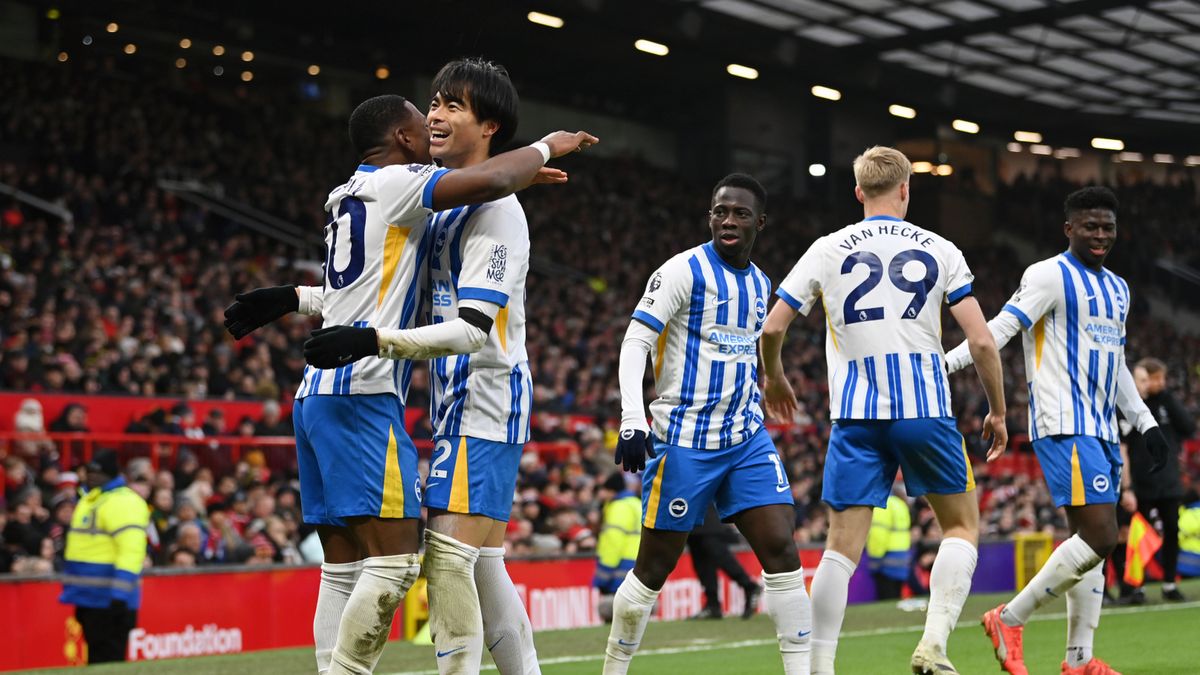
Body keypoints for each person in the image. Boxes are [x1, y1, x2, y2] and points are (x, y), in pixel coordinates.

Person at [223, 92, 596, 675]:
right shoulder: (404, 188)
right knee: (410, 564)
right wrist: (541, 149)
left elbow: (397, 297)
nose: (436, 122)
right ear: (403, 138)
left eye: (450, 108)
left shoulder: (353, 193)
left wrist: (296, 298)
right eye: (428, 115)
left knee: (411, 564)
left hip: (412, 396)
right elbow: (492, 177)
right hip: (370, 396)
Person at [760, 145, 1007, 675]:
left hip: (855, 416)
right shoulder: (941, 249)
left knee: (839, 549)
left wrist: (775, 376)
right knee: (962, 529)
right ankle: (933, 644)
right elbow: (983, 344)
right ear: (905, 189)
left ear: (857, 192)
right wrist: (999, 412)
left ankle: (817, 668)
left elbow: (773, 327)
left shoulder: (826, 248)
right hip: (924, 410)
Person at [945, 186, 1171, 675]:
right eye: (1089, 225)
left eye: (1107, 227)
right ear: (1068, 228)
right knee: (1100, 536)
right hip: (1064, 424)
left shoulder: (1118, 288)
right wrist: (943, 367)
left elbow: (1118, 365)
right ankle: (1008, 618)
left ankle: (1080, 661)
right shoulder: (1047, 275)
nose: (1100, 235)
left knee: (1089, 545)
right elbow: (997, 331)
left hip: (1104, 429)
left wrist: (1146, 422)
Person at [603, 173, 812, 675]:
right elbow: (634, 343)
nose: (728, 220)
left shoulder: (762, 285)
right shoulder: (682, 271)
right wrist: (633, 419)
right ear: (710, 217)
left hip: (744, 437)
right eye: (720, 211)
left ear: (759, 222)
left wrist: (775, 378)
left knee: (782, 547)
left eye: (740, 213)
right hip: (683, 442)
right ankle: (613, 669)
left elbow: (752, 348)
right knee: (653, 569)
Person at [59, 449, 150, 664]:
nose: (90, 476)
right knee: (97, 661)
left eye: (96, 472)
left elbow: (131, 551)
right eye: (88, 471)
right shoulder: (92, 499)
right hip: (90, 597)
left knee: (107, 662)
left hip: (110, 598)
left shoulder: (121, 502)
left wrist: (120, 594)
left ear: (110, 474)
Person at [686, 504, 761, 619]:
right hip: (690, 517)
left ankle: (748, 586)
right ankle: (713, 605)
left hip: (705, 515)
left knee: (717, 553)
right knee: (702, 562)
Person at [593, 472, 641, 621]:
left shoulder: (619, 507)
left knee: (616, 611)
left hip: (621, 562)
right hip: (638, 558)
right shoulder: (636, 503)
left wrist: (605, 569)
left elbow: (614, 540)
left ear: (610, 490)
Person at [867, 484, 911, 600]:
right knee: (895, 600)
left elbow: (879, 536)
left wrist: (874, 558)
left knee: (885, 600)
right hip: (901, 560)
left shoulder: (883, 505)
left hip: (885, 563)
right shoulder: (900, 504)